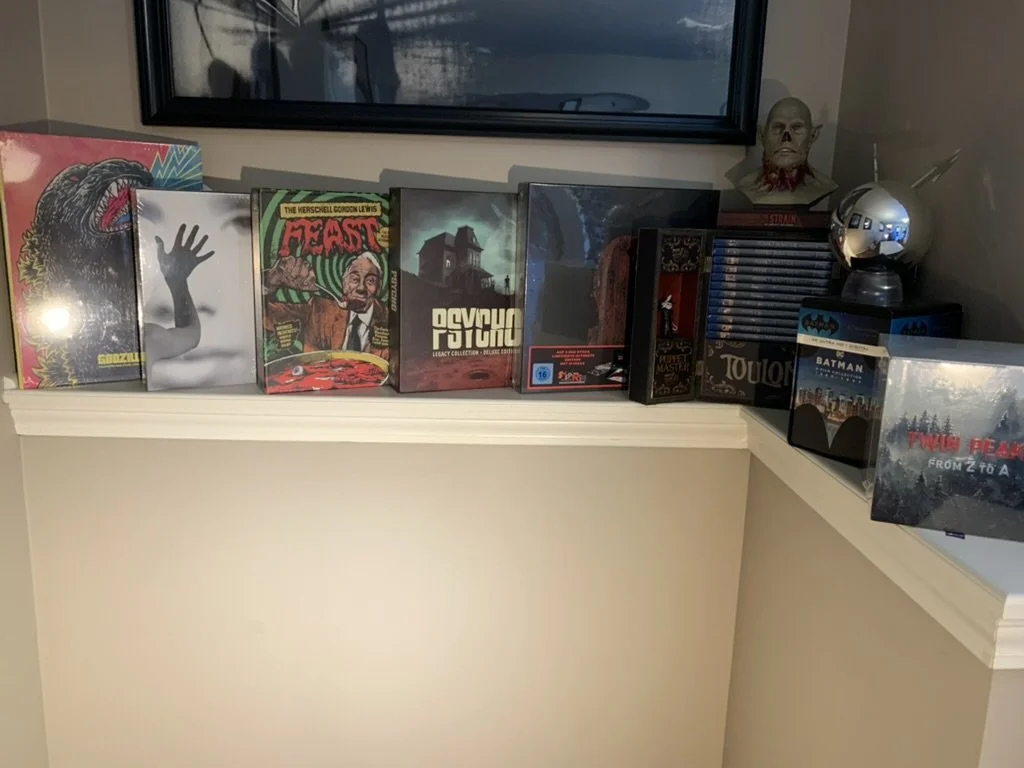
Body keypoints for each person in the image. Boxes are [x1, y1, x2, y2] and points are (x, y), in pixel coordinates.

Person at [265, 250, 389, 358]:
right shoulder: (319, 310)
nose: (361, 288)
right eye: (355, 279)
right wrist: (273, 280)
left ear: (379, 288)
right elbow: (268, 316)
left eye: (370, 281)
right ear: (344, 284)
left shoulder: (391, 319)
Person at [737, 96, 837, 206]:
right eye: (777, 127)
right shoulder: (746, 184)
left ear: (812, 136)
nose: (786, 137)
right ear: (762, 136)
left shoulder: (824, 186)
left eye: (797, 128)